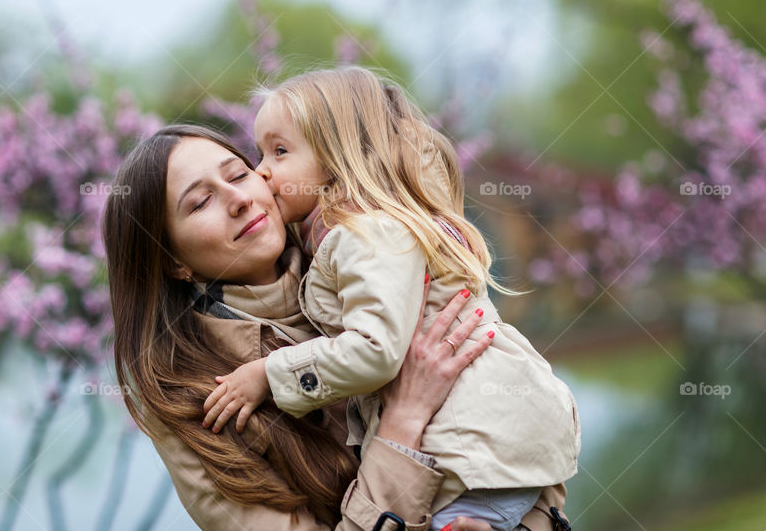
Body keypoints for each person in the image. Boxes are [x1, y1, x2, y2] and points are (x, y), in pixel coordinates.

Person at [103, 124, 567, 530]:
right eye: (202, 201)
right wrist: (402, 424)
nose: (240, 200)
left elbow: (517, 431)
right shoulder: (194, 402)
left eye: (240, 174)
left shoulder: (369, 262)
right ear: (173, 262)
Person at [202, 68, 580, 531]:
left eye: (280, 152)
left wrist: (268, 373)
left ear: (338, 156)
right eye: (261, 152)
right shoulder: (366, 229)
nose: (261, 170)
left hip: (470, 458)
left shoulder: (366, 234)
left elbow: (375, 351)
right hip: (488, 448)